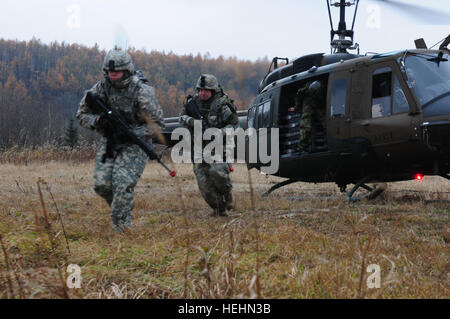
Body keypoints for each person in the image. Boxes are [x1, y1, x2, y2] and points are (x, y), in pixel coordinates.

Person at [76, 49, 165, 233]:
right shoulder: (100, 88)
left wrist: (133, 132)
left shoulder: (140, 90)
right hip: (111, 140)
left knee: (122, 183)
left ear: (126, 70)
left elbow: (157, 124)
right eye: (110, 71)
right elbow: (82, 115)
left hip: (136, 143)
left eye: (117, 71)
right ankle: (122, 205)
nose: (113, 74)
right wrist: (99, 121)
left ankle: (121, 231)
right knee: (101, 186)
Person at [179, 74, 239, 217]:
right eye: (200, 90)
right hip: (198, 148)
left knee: (217, 174)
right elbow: (181, 118)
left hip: (217, 147)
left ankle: (228, 194)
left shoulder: (222, 105)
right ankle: (219, 209)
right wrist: (191, 121)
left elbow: (234, 125)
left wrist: (219, 133)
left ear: (213, 91)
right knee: (203, 183)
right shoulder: (192, 103)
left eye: (206, 90)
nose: (202, 93)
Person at [295, 80, 326, 151]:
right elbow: (298, 96)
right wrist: (297, 107)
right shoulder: (304, 90)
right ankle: (302, 146)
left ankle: (327, 143)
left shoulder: (322, 88)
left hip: (318, 106)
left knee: (326, 123)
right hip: (308, 107)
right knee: (305, 126)